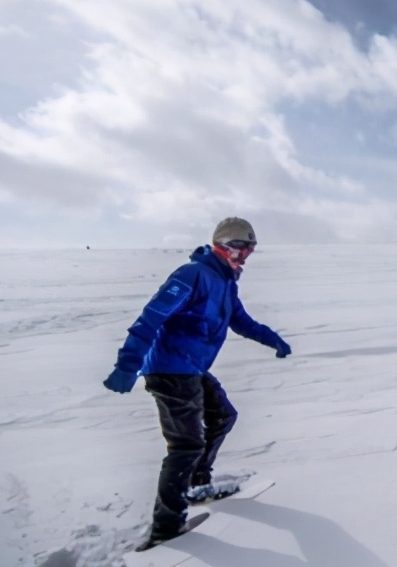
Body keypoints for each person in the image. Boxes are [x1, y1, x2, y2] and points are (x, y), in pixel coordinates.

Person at [102, 217, 292, 550]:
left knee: (223, 416)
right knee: (185, 445)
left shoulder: (226, 282)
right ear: (221, 245)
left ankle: (196, 484)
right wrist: (126, 365)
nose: (244, 255)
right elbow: (151, 317)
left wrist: (272, 339)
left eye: (250, 249)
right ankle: (166, 526)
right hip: (169, 370)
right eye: (239, 247)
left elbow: (241, 321)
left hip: (191, 368)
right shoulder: (192, 275)